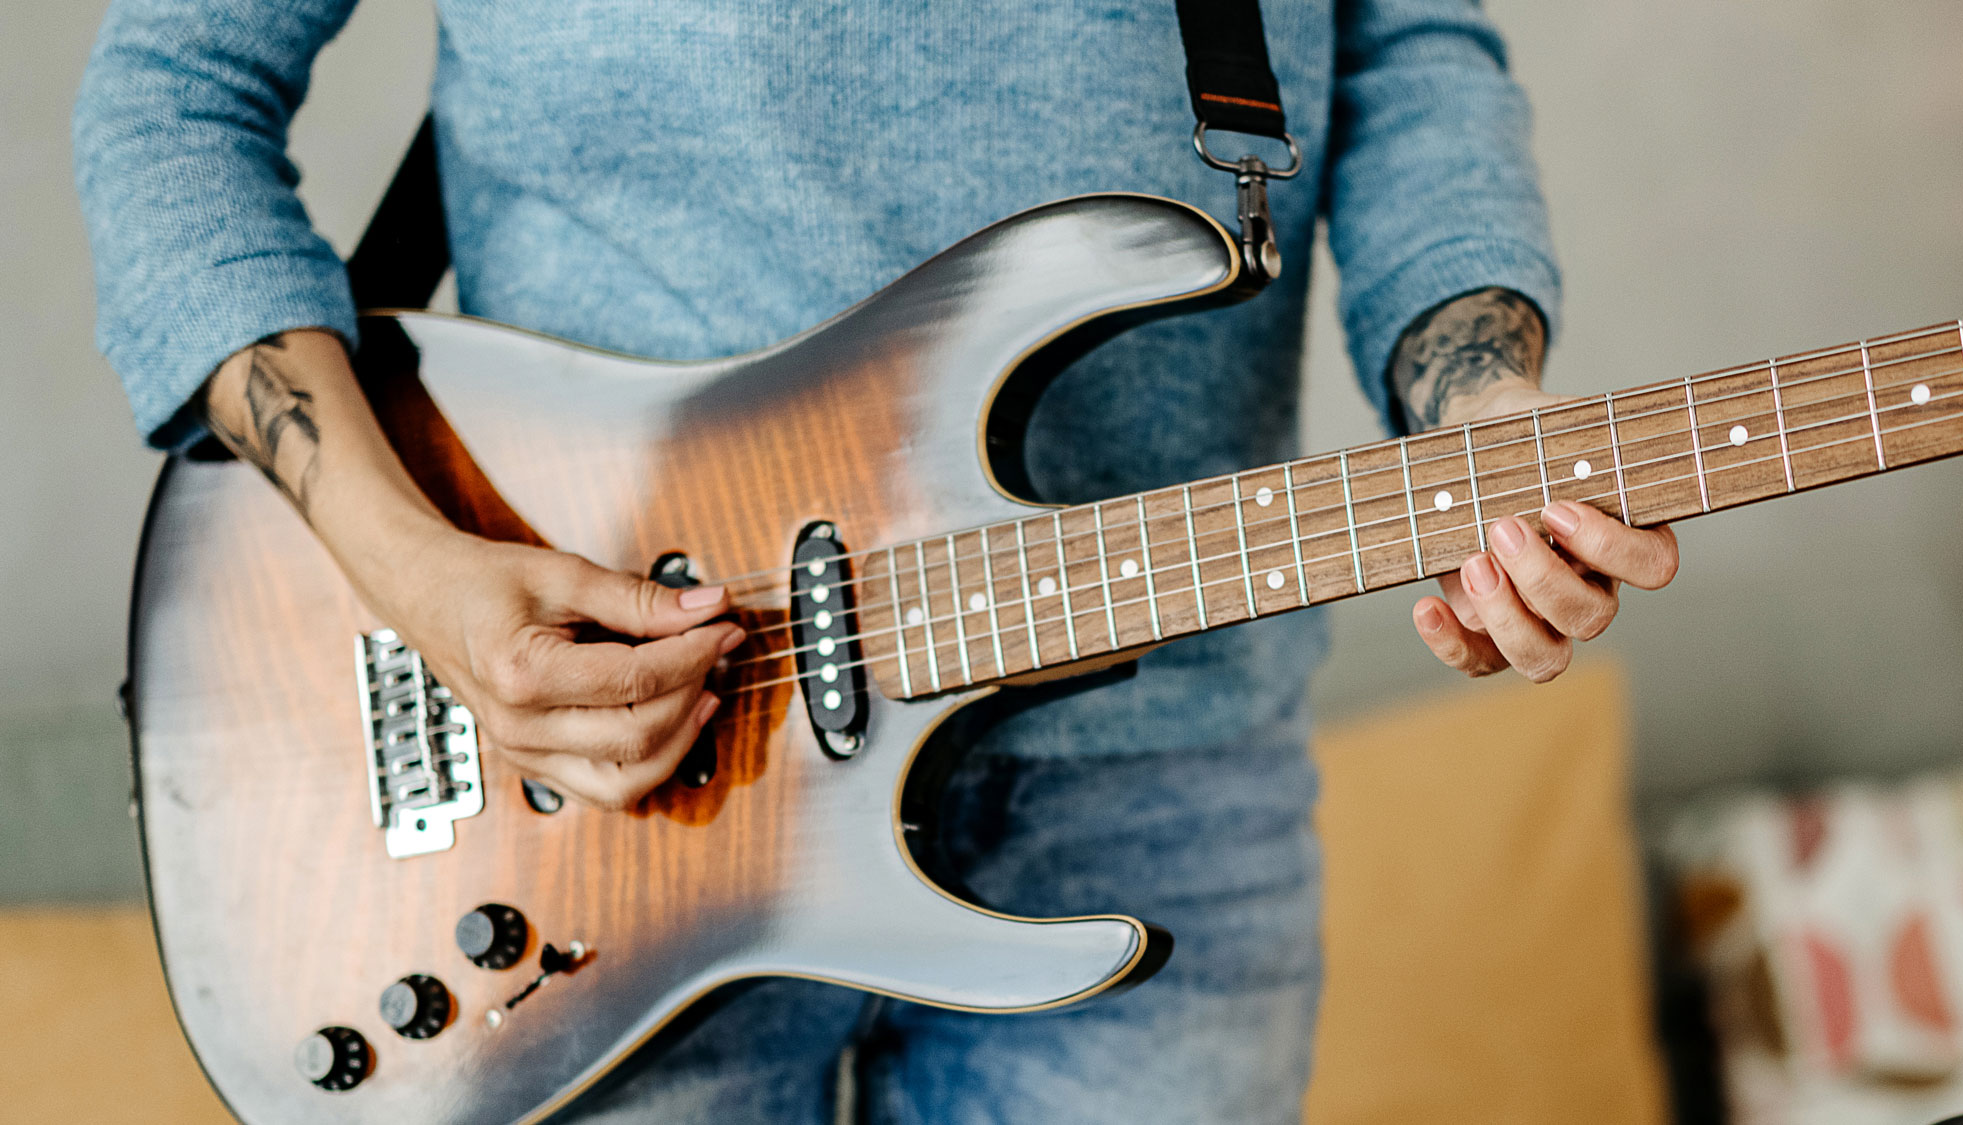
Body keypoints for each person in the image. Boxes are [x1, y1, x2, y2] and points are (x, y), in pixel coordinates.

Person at [74, 1, 1678, 1120]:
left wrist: (1479, 409)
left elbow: (1400, 41)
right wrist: (414, 572)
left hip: (1164, 777)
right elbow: (170, 89)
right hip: (592, 803)